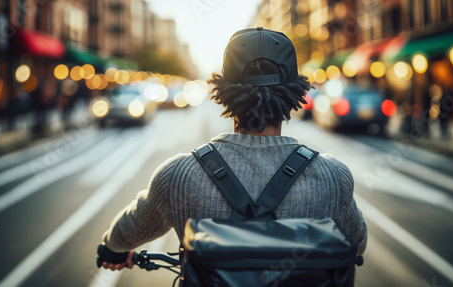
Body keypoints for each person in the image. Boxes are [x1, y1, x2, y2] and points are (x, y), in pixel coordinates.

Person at [99, 27, 368, 271]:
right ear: (295, 93)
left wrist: (111, 249)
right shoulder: (334, 177)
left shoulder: (177, 176)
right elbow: (358, 243)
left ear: (224, 92)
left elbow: (125, 233)